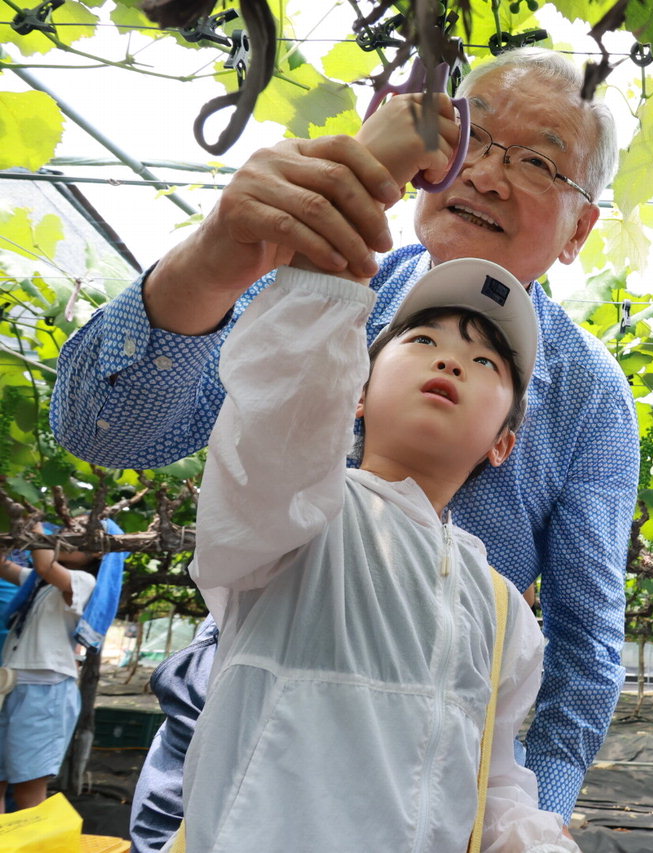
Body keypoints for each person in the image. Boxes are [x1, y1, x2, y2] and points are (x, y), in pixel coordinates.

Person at [50, 47, 639, 850]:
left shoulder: (591, 398)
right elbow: (103, 427)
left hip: (429, 773)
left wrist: (522, 816)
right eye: (474, 138)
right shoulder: (314, 285)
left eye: (537, 161)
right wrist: (213, 254)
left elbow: (586, 647)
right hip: (228, 730)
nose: (488, 175)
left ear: (580, 229)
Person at [171, 248, 576, 851]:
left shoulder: (503, 611)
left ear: (502, 444)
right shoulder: (303, 511)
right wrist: (324, 289)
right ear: (356, 392)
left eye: (485, 361)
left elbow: (490, 780)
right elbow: (275, 426)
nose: (450, 360)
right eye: (422, 340)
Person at [0, 542, 99, 811]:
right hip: (11, 687)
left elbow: (44, 564)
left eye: (77, 535)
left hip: (45, 695)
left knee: (28, 789)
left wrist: (35, 531)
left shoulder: (84, 581)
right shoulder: (38, 584)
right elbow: (5, 567)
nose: (62, 538)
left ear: (98, 550)